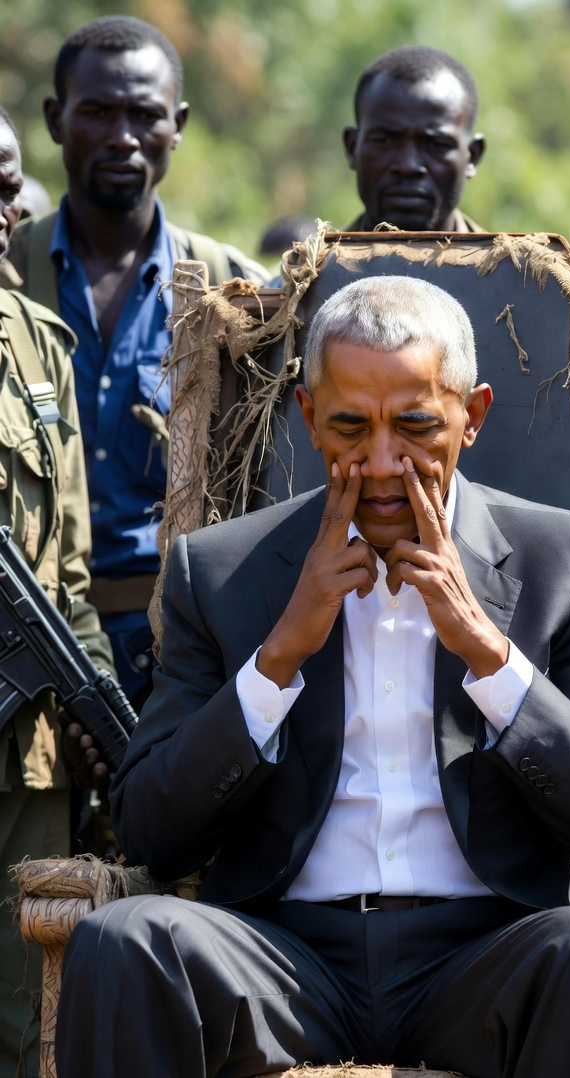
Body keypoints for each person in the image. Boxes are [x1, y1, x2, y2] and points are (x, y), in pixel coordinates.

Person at [55, 275, 570, 1078]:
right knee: (120, 939)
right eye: (350, 427)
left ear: (471, 416)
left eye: (415, 425)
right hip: (287, 959)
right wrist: (278, 658)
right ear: (309, 418)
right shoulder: (222, 571)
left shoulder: (568, 560)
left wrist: (488, 652)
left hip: (488, 953)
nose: (381, 464)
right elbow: (150, 833)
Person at [0, 16, 269, 709]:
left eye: (145, 114)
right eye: (98, 112)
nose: (123, 136)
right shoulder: (8, 275)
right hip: (24, 632)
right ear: (57, 120)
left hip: (183, 640)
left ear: (177, 125)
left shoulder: (231, 289)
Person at [0, 107, 114, 1078]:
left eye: (9, 186)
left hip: (27, 766)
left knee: (26, 1027)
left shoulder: (41, 346)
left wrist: (101, 711)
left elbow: (68, 573)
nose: (5, 209)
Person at [343, 46, 486, 232]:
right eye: (385, 142)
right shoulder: (310, 261)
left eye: (436, 144)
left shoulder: (516, 261)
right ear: (352, 148)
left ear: (472, 156)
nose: (408, 167)